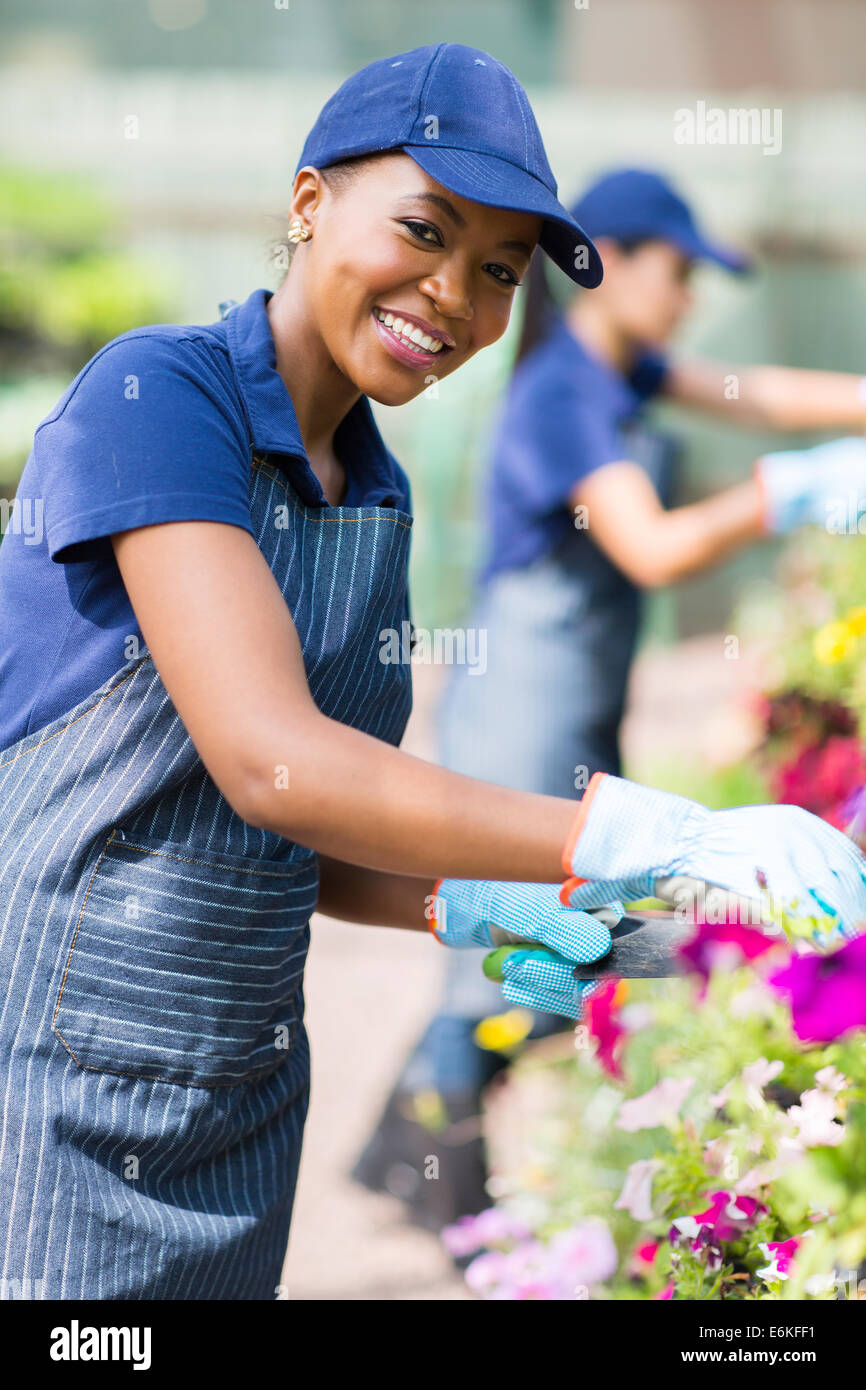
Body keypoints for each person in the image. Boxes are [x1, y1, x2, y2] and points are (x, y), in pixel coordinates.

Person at [1, 49, 864, 1301]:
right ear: (308, 204)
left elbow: (310, 838)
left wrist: (473, 904)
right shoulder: (158, 395)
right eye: (424, 230)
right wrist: (654, 836)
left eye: (499, 271)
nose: (454, 294)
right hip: (50, 1093)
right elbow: (272, 763)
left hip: (236, 1101)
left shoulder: (374, 488)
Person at [353, 166, 866, 1232]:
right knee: (508, 930)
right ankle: (428, 1159)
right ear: (610, 265)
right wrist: (780, 492)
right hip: (519, 692)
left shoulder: (624, 369)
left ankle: (413, 1151)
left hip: (574, 685)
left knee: (556, 925)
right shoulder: (561, 391)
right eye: (674, 271)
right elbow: (648, 545)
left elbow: (760, 391)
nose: (685, 296)